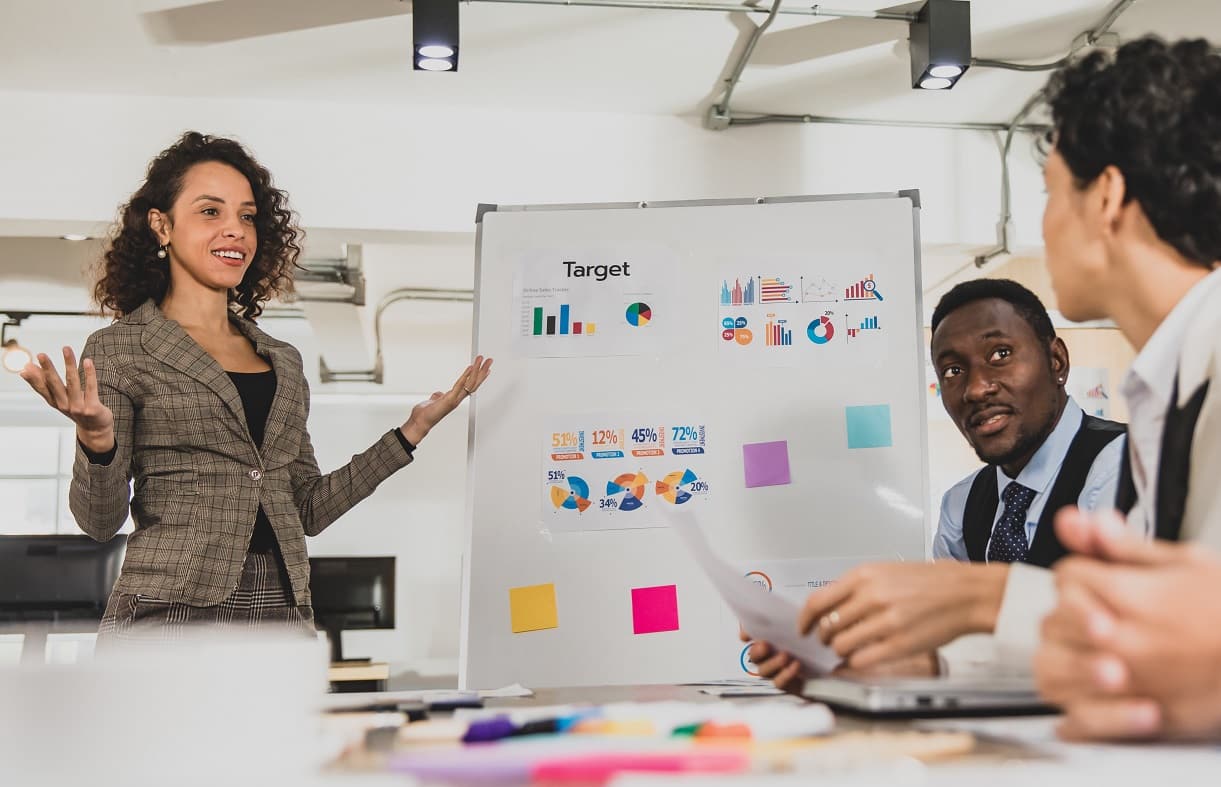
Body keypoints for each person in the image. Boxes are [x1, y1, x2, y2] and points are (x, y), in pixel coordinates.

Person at [17, 131, 493, 644]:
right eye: (210, 212)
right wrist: (97, 441)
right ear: (162, 226)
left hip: (283, 608)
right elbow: (99, 523)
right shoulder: (120, 348)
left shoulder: (283, 361)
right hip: (170, 605)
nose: (235, 231)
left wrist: (410, 433)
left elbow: (308, 507)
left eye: (246, 216)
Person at [744, 280, 1126, 690]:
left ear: (1056, 361)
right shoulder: (962, 505)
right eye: (953, 371)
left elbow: (1121, 634)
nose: (977, 388)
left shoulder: (1125, 466)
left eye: (1000, 355)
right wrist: (843, 665)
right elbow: (960, 652)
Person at [1029, 36, 1221, 740]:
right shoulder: (1169, 383)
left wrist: (980, 601)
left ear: (1104, 196)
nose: (1043, 225)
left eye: (1050, 193)